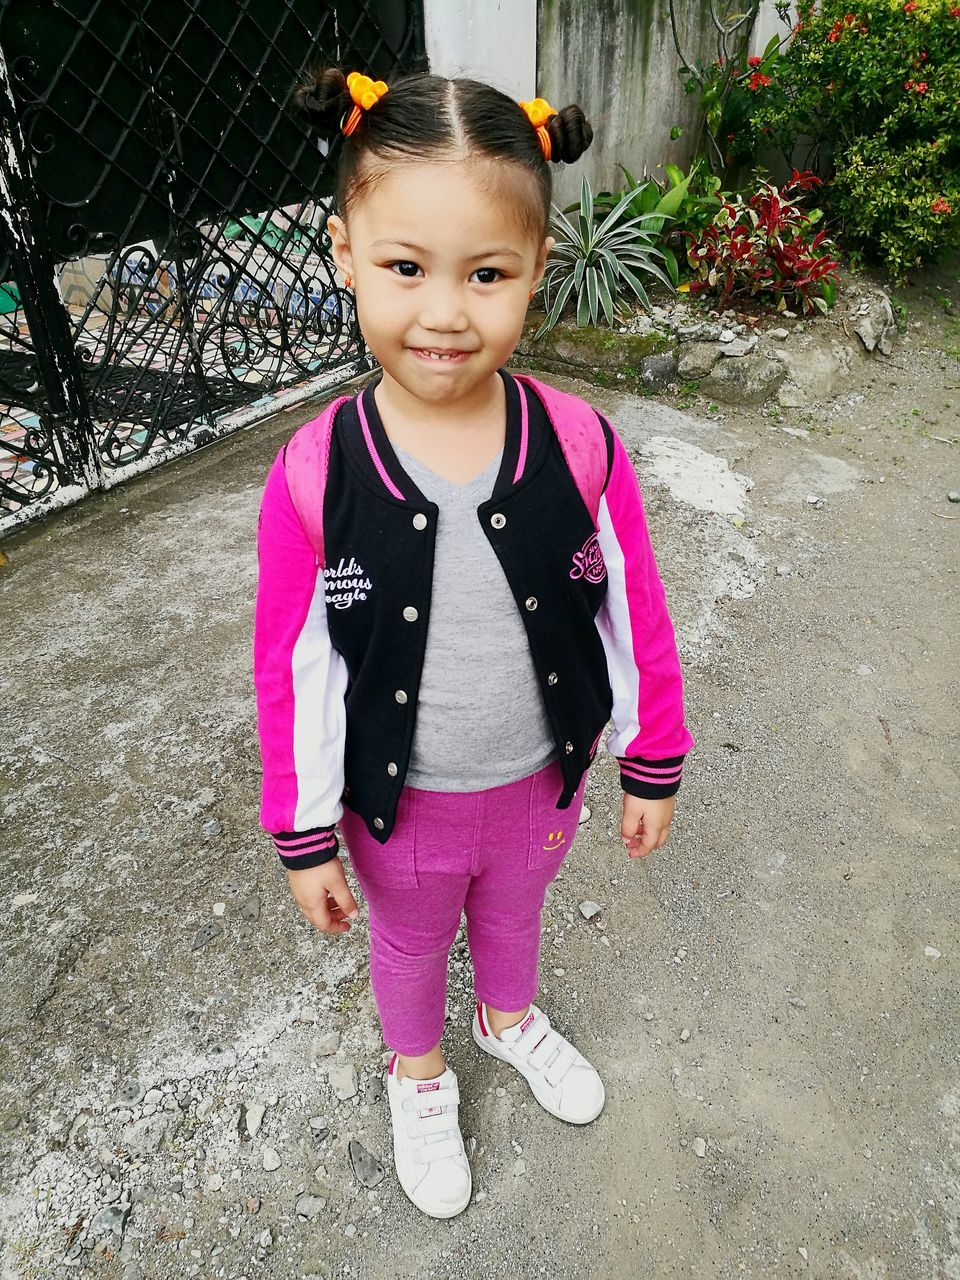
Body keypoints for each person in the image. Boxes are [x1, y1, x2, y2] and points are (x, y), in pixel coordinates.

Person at [252, 66, 694, 1220]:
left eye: (487, 274)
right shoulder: (316, 473)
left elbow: (634, 614)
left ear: (536, 269)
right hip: (403, 802)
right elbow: (293, 665)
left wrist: (652, 760)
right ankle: (419, 1073)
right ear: (343, 249)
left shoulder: (583, 443)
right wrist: (304, 833)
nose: (445, 312)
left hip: (541, 780)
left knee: (516, 908)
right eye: (405, 267)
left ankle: (506, 1020)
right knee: (406, 937)